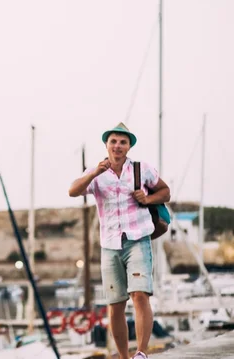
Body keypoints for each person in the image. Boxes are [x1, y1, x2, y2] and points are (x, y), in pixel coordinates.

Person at [68, 122, 170, 359]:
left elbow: (165, 192)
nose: (117, 146)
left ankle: (141, 353)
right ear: (107, 145)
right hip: (110, 244)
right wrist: (94, 173)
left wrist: (148, 198)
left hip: (138, 239)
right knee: (115, 305)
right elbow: (73, 191)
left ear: (129, 146)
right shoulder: (96, 173)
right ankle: (124, 357)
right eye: (113, 141)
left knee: (140, 294)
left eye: (123, 142)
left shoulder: (141, 169)